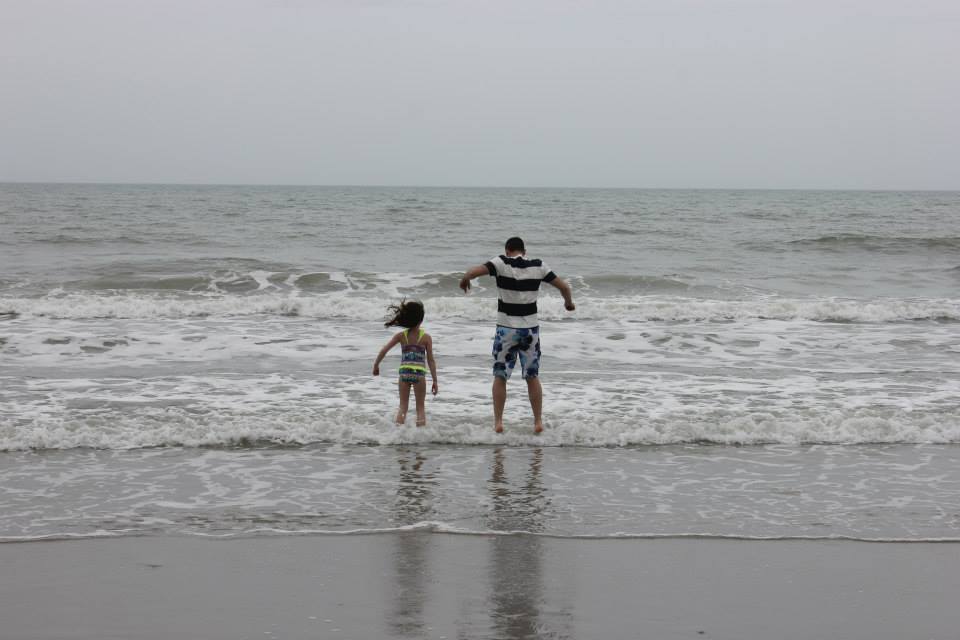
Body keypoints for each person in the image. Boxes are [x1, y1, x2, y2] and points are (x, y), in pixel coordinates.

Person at [459, 237, 575, 434]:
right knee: (532, 376)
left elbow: (473, 272)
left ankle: (498, 422)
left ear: (507, 250)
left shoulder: (501, 262)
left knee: (500, 376)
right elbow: (564, 287)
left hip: (506, 329)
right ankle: (537, 421)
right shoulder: (539, 266)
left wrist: (465, 279)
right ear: (525, 251)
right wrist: (568, 304)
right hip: (530, 330)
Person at [373, 300, 438, 427]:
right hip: (419, 375)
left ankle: (398, 434)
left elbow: (384, 350)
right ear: (421, 320)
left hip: (404, 374)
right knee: (420, 408)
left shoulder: (401, 336)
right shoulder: (426, 338)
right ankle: (420, 436)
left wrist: (376, 365)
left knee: (403, 407)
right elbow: (431, 360)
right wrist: (435, 380)